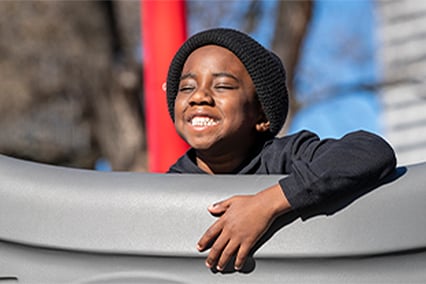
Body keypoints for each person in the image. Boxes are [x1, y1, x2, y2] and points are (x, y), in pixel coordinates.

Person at [164, 28, 396, 272]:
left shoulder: (283, 157)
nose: (199, 96)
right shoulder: (167, 188)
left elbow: (370, 151)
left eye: (222, 86)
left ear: (261, 114)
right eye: (187, 88)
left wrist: (267, 204)